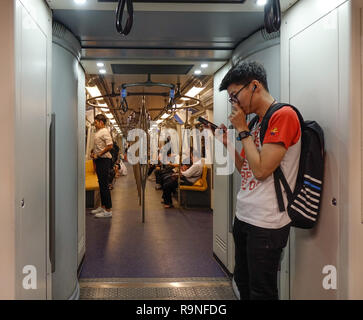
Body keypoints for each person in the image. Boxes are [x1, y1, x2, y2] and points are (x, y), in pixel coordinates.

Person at [216, 60, 301, 300]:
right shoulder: (255, 123)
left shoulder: (283, 116)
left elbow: (263, 170)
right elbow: (248, 170)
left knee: (261, 291)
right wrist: (229, 144)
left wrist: (242, 130)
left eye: (235, 96)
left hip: (267, 223)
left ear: (254, 86)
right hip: (244, 216)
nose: (235, 103)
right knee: (242, 280)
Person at [90, 114, 114, 218]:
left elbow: (110, 146)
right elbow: (98, 146)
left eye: (96, 122)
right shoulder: (98, 132)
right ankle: (103, 206)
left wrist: (99, 154)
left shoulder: (105, 131)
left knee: (104, 185)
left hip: (104, 160)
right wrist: (93, 152)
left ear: (101, 122)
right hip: (99, 160)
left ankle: (108, 210)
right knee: (101, 184)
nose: (95, 125)